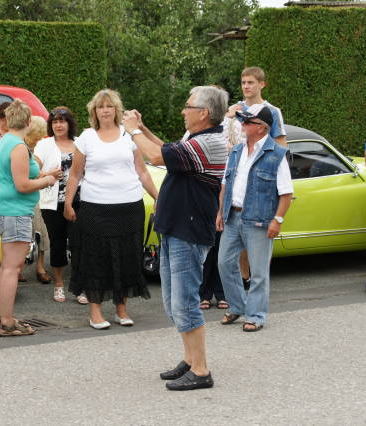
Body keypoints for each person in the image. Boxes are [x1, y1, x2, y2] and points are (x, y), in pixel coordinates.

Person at [123, 85, 229, 391]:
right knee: (174, 303)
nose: (183, 111)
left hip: (188, 232)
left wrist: (132, 131)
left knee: (185, 302)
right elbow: (166, 153)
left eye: (187, 106)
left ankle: (201, 370)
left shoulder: (210, 142)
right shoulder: (196, 139)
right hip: (176, 229)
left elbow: (155, 154)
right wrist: (141, 127)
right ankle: (189, 359)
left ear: (204, 113)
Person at [64, 89, 157, 330]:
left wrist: (159, 197)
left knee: (127, 257)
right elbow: (75, 174)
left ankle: (121, 309)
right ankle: (95, 312)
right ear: (93, 112)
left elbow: (143, 171)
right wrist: (68, 202)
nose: (104, 110)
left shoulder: (129, 135)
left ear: (116, 109)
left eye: (109, 106)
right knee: (96, 259)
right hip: (96, 207)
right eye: (100, 107)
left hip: (129, 206)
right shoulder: (86, 138)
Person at [217, 105, 293, 332]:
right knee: (224, 263)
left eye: (248, 122)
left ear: (262, 128)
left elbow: (286, 193)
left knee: (258, 272)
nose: (242, 125)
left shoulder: (276, 154)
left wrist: (277, 220)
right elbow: (225, 184)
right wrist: (220, 212)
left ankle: (256, 315)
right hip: (233, 217)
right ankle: (237, 305)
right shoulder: (237, 151)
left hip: (259, 221)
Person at [0, 99, 56, 337]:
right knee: (12, 267)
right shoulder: (18, 146)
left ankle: (2, 317)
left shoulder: (5, 141)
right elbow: (22, 185)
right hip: (14, 211)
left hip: (5, 208)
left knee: (6, 266)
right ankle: (7, 322)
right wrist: (47, 181)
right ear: (28, 121)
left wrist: (43, 175)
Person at [225, 66, 288, 289]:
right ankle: (244, 277)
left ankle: (257, 279)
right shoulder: (235, 111)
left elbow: (280, 145)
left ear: (262, 84)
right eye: (243, 83)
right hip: (235, 173)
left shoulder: (272, 111)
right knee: (237, 230)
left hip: (260, 175)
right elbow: (226, 139)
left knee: (256, 232)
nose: (246, 87)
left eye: (251, 82)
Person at [35, 107, 88, 304]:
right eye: (54, 121)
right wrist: (47, 174)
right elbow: (31, 170)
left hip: (78, 202)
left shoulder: (79, 144)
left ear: (69, 124)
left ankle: (79, 287)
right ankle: (58, 284)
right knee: (57, 244)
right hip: (52, 203)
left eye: (62, 121)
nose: (58, 125)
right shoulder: (44, 144)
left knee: (79, 245)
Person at [23, 115, 53, 287]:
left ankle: (40, 267)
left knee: (41, 230)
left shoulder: (36, 148)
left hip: (39, 195)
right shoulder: (23, 149)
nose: (42, 138)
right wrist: (47, 176)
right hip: (28, 195)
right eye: (40, 134)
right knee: (29, 230)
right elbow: (28, 174)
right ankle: (18, 268)